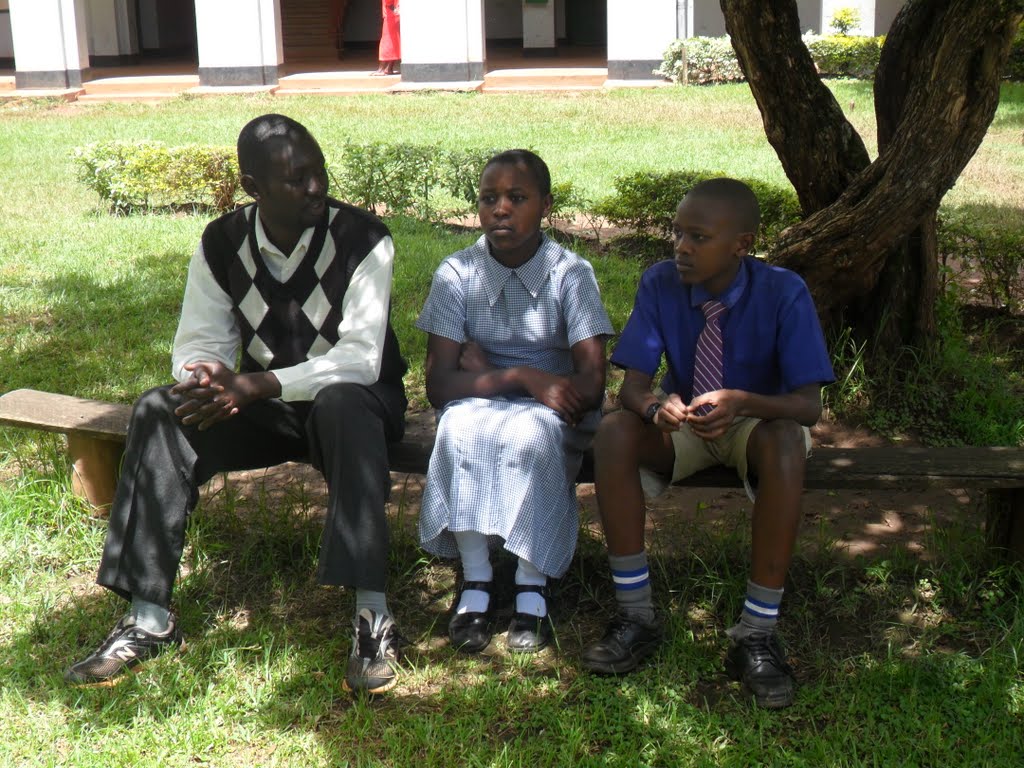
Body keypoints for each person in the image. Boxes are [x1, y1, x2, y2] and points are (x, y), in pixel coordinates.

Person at [64, 114, 409, 696]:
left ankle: (372, 615)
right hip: (272, 403)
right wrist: (206, 377)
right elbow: (199, 341)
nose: (315, 187)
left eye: (318, 172)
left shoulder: (364, 238)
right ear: (253, 186)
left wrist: (254, 386)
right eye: (296, 178)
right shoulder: (222, 242)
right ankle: (149, 616)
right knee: (158, 409)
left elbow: (360, 358)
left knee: (344, 404)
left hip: (359, 402)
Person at [580, 178, 834, 709]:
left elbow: (807, 406)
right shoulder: (660, 284)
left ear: (742, 244)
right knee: (615, 431)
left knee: (789, 444)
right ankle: (636, 615)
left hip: (756, 424)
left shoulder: (784, 291)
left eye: (697, 236)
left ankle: (757, 633)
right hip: (688, 420)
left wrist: (743, 401)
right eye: (677, 233)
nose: (681, 247)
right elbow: (632, 387)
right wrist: (655, 407)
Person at [415, 149, 613, 654]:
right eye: (489, 198)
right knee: (458, 428)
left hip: (552, 412)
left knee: (532, 435)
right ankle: (477, 577)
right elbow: (440, 386)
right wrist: (523, 376)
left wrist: (485, 373)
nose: (500, 209)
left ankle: (531, 581)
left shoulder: (571, 274)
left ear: (545, 204)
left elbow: (590, 383)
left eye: (517, 198)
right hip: (496, 398)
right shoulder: (457, 273)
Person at [372, 0, 400, 76]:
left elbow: (388, 2)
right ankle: (389, 68)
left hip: (391, 16)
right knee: (395, 42)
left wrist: (394, 10)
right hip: (396, 15)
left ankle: (381, 69)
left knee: (387, 42)